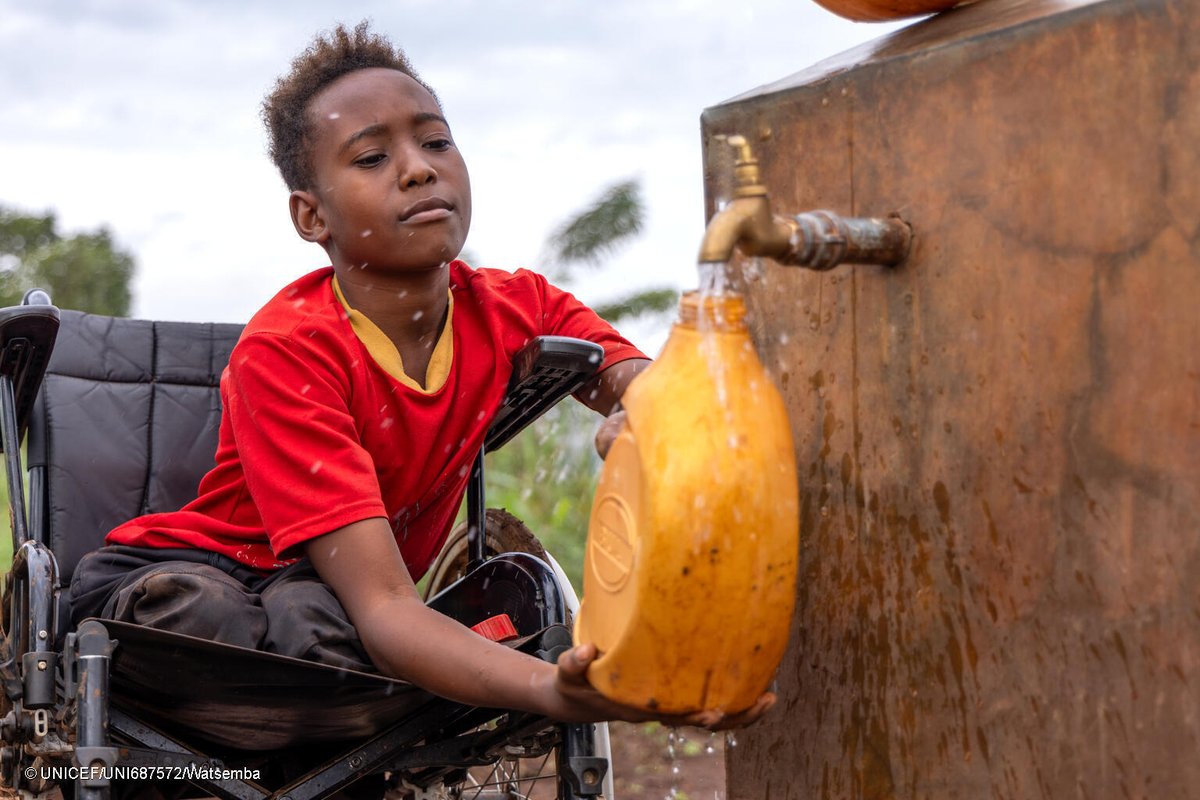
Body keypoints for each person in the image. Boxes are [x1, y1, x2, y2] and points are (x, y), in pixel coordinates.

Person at [68, 21, 772, 729]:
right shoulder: (288, 352)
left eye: (435, 142)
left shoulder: (512, 307)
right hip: (206, 582)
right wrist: (550, 691)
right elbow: (386, 609)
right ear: (312, 215)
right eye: (372, 158)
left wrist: (647, 418)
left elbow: (655, 386)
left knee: (356, 622)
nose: (418, 168)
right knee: (270, 622)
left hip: (341, 601)